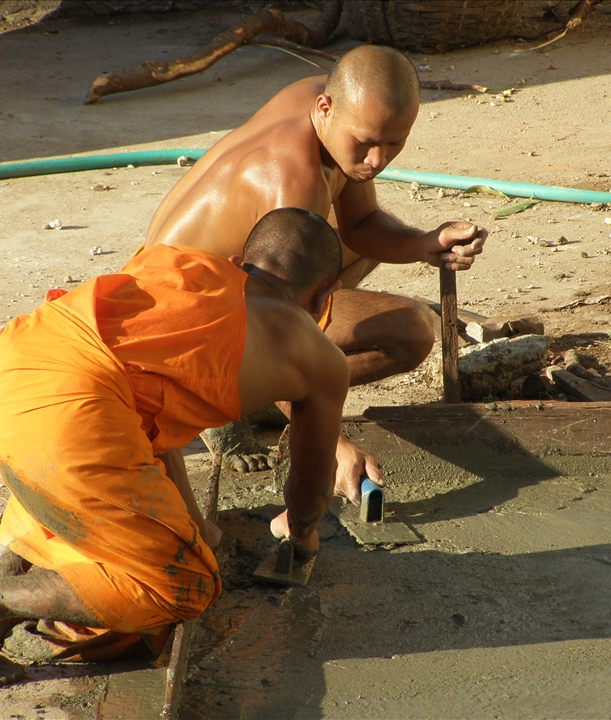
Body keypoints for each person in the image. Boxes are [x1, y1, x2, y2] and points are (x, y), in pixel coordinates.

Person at [0, 208, 349, 688]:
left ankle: (1, 572)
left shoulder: (177, 264)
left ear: (237, 262)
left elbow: (145, 427)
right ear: (324, 296)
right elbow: (312, 479)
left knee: (74, 447)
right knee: (186, 586)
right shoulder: (316, 355)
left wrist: (195, 526)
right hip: (63, 417)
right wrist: (301, 534)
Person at [145, 44, 487, 497]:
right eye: (365, 143)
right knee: (412, 329)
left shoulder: (321, 101)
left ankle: (262, 393)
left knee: (339, 252)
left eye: (393, 143)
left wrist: (426, 244)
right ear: (326, 109)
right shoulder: (294, 183)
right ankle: (228, 397)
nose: (377, 160)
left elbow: (361, 227)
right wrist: (333, 444)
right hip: (181, 325)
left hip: (209, 283)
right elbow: (280, 330)